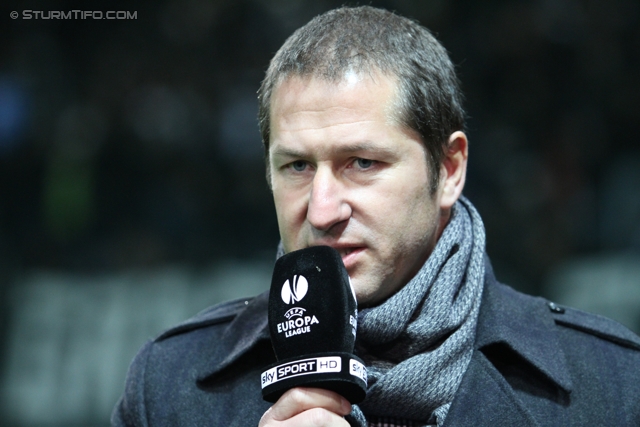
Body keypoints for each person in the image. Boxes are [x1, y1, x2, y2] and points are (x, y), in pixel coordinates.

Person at [112, 6, 640, 427]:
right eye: (296, 166)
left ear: (450, 169)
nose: (322, 209)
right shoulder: (168, 386)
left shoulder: (612, 385)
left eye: (362, 163)